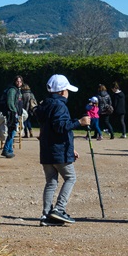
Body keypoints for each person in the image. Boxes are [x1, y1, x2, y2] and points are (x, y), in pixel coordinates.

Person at [35, 74, 91, 226]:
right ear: (61, 92)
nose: (68, 93)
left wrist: (70, 149)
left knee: (51, 182)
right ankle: (59, 209)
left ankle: (46, 216)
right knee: (70, 178)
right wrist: (80, 122)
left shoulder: (44, 105)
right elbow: (61, 127)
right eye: (67, 90)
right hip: (58, 151)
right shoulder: (60, 106)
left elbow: (53, 129)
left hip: (47, 151)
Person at [1, 75, 24, 158]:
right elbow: (10, 102)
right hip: (12, 114)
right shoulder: (12, 90)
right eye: (17, 81)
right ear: (15, 81)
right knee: (12, 131)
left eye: (20, 81)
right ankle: (6, 150)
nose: (19, 83)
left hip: (15, 114)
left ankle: (9, 150)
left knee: (13, 131)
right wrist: (15, 113)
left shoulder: (17, 90)